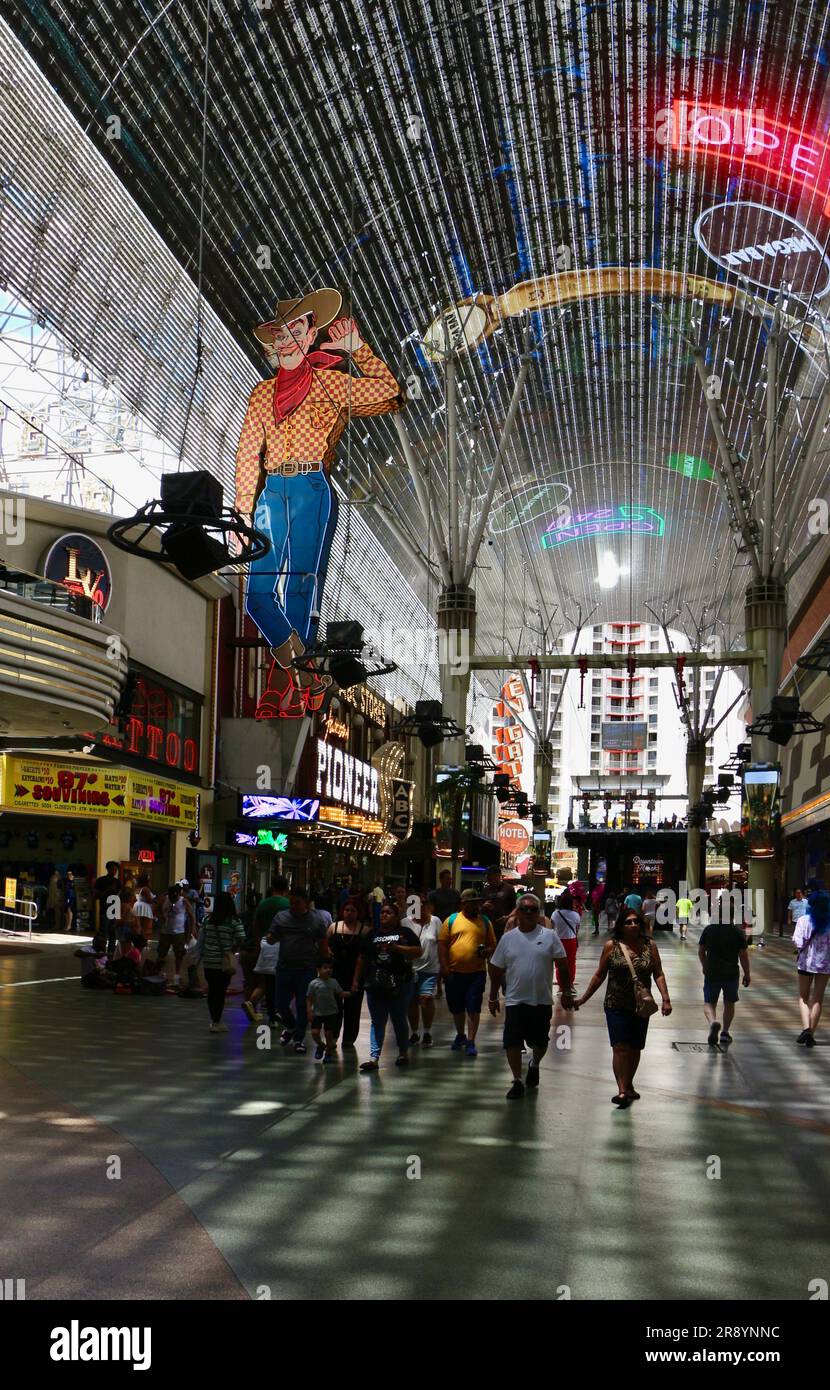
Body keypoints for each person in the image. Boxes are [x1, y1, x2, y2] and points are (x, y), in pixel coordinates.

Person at [235, 290, 402, 716]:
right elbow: (247, 454)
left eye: (297, 329)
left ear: (311, 336)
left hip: (312, 486)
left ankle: (290, 687)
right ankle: (306, 675)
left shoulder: (331, 384)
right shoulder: (261, 394)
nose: (288, 338)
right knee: (257, 596)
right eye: (281, 331)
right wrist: (240, 510)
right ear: (272, 341)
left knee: (299, 589)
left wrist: (357, 350)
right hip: (271, 492)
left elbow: (390, 392)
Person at [575, 907, 672, 1107]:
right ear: (621, 925)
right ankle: (621, 1090)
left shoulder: (649, 946)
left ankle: (628, 1084)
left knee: (635, 1047)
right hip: (615, 1004)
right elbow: (599, 975)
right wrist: (584, 998)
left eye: (636, 921)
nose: (633, 925)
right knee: (620, 1047)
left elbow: (658, 973)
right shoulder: (612, 946)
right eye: (628, 922)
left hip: (640, 1005)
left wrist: (665, 998)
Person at [487, 892, 574, 1099]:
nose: (528, 913)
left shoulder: (549, 936)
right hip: (515, 1000)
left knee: (540, 1043)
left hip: (541, 1000)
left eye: (533, 909)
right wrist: (492, 996)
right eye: (524, 909)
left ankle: (534, 1064)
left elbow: (562, 965)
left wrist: (567, 991)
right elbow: (497, 969)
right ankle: (517, 1080)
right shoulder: (508, 939)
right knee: (512, 1042)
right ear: (516, 913)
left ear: (539, 913)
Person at [353, 902, 421, 1072]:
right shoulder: (371, 934)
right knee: (377, 1022)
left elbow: (418, 951)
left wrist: (397, 948)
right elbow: (362, 958)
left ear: (396, 916)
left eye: (389, 912)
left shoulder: (404, 933)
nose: (384, 915)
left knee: (398, 1019)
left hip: (399, 984)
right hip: (375, 985)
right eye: (382, 912)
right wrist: (356, 980)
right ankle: (374, 1058)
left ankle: (403, 1052)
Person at [437, 888, 497, 1057]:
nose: (476, 906)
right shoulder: (451, 920)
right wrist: (444, 967)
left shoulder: (485, 922)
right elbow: (442, 945)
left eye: (477, 903)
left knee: (473, 1007)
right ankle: (460, 1035)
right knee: (456, 1007)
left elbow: (493, 944)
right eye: (472, 903)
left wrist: (487, 951)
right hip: (454, 972)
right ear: (463, 904)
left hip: (476, 973)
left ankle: (471, 1040)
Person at [272, 887, 329, 1053]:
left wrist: (323, 970)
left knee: (302, 1005)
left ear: (306, 903)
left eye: (297, 903)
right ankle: (290, 1026)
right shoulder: (281, 917)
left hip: (306, 969)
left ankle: (299, 1039)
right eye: (291, 902)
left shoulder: (316, 921)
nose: (294, 906)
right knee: (280, 1004)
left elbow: (323, 946)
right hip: (284, 967)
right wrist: (270, 938)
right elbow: (273, 935)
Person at [698, 903, 750, 1046]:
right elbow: (743, 956)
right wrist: (747, 974)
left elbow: (701, 951)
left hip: (712, 972)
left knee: (709, 1002)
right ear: (733, 915)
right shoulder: (738, 932)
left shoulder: (709, 930)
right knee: (729, 1002)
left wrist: (705, 966)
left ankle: (713, 1022)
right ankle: (725, 1033)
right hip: (731, 973)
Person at [197, 892, 247, 1033]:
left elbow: (202, 940)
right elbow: (241, 938)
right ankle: (216, 1022)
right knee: (220, 992)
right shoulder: (233, 921)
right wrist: (232, 948)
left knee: (212, 991)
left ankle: (213, 1019)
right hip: (223, 964)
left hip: (208, 962)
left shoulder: (208, 920)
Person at [327, 898, 370, 1047]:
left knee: (353, 1007)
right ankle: (333, 1035)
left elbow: (364, 955)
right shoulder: (334, 927)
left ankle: (349, 1038)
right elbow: (324, 946)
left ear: (358, 913)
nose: (349, 913)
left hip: (355, 973)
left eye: (353, 910)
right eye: (347, 910)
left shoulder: (364, 930)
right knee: (334, 1006)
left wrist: (357, 979)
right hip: (335, 973)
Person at [793, 889, 830, 1048]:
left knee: (803, 997)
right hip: (825, 964)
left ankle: (806, 1028)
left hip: (805, 964)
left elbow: (798, 943)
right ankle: (811, 1035)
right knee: (818, 999)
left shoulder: (803, 920)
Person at [407, 896, 442, 1047]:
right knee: (412, 1002)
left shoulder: (436, 921)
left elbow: (440, 945)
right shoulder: (406, 922)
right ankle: (414, 1032)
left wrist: (442, 971)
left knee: (426, 1000)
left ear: (428, 906)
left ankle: (427, 1031)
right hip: (410, 969)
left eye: (423, 905)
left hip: (430, 969)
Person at [307, 960, 351, 1062]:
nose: (328, 970)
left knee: (328, 1033)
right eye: (325, 967)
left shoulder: (333, 982)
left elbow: (340, 993)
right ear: (318, 969)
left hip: (331, 1013)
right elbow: (309, 998)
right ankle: (321, 1045)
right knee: (314, 1032)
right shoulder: (313, 983)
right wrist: (309, 1010)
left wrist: (350, 993)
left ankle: (328, 1052)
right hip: (317, 1012)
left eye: (330, 968)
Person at [156, 883, 196, 986]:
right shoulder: (163, 899)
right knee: (161, 954)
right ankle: (159, 974)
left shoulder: (183, 901)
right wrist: (161, 917)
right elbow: (155, 910)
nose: (173, 899)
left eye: (175, 897)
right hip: (165, 932)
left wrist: (191, 930)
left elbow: (191, 916)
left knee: (179, 955)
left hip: (179, 932)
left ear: (179, 894)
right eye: (171, 897)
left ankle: (177, 976)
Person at [247, 925, 281, 1028]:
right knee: (272, 987)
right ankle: (276, 1013)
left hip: (263, 960)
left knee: (263, 985)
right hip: (279, 962)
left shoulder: (261, 930)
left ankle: (251, 1005)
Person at [550, 888, 580, 994]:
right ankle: (570, 984)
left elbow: (552, 928)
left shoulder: (555, 914)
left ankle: (561, 987)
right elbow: (577, 930)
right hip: (571, 941)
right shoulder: (576, 915)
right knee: (571, 963)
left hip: (558, 941)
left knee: (559, 964)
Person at [482, 865, 517, 939]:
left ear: (497, 876)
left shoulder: (508, 888)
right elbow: (481, 907)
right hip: (489, 927)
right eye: (487, 876)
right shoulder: (486, 890)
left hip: (505, 926)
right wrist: (483, 906)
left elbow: (516, 907)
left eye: (489, 876)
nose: (487, 878)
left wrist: (508, 917)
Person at [94, 861, 121, 954]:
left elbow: (119, 898)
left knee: (113, 934)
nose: (114, 871)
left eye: (115, 870)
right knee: (103, 933)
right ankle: (101, 952)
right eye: (112, 869)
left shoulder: (118, 882)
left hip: (114, 911)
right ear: (108, 869)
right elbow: (96, 896)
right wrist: (107, 890)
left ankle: (110, 954)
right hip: (105, 910)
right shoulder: (100, 881)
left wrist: (118, 915)